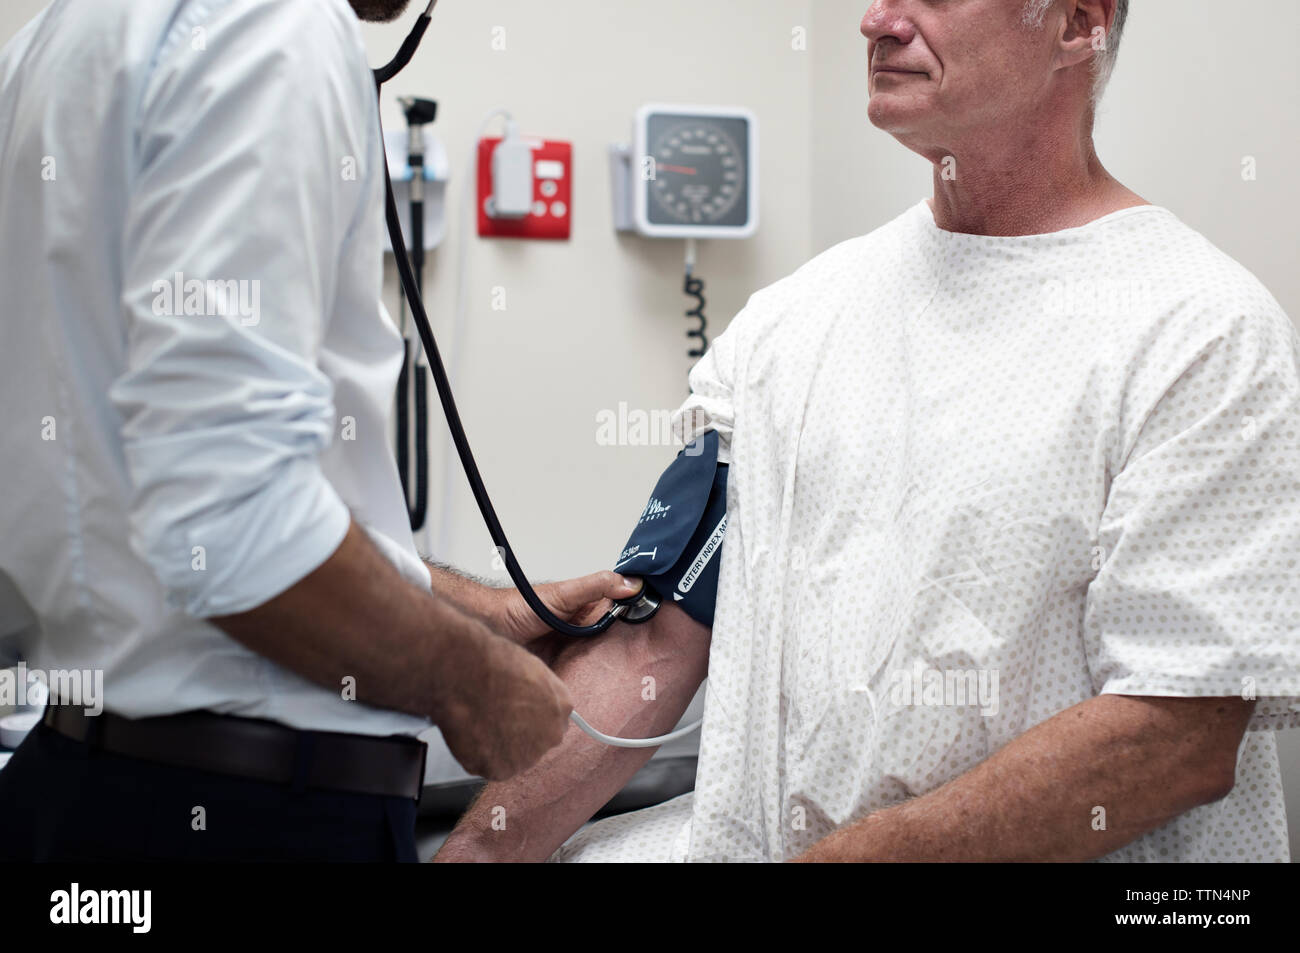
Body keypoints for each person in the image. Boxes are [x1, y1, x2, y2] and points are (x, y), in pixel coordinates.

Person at [435, 0, 1300, 862]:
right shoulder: (787, 327)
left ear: (1076, 22)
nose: (876, 21)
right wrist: (479, 852)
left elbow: (1176, 733)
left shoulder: (1203, 333)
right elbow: (656, 639)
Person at [0, 0, 637, 862]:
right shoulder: (274, 23)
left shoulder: (46, 46)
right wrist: (477, 687)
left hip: (73, 789)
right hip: (245, 817)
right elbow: (231, 520)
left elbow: (153, 493)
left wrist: (492, 615)